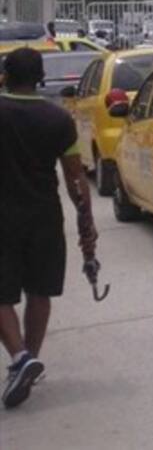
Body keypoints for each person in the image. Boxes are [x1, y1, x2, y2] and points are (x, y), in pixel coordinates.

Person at [0, 49, 97, 410]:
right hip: (44, 216)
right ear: (40, 78)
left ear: (5, 76)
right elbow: (76, 179)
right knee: (40, 290)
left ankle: (21, 358)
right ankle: (28, 360)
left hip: (3, 217)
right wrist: (87, 229)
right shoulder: (58, 120)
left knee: (2, 295)